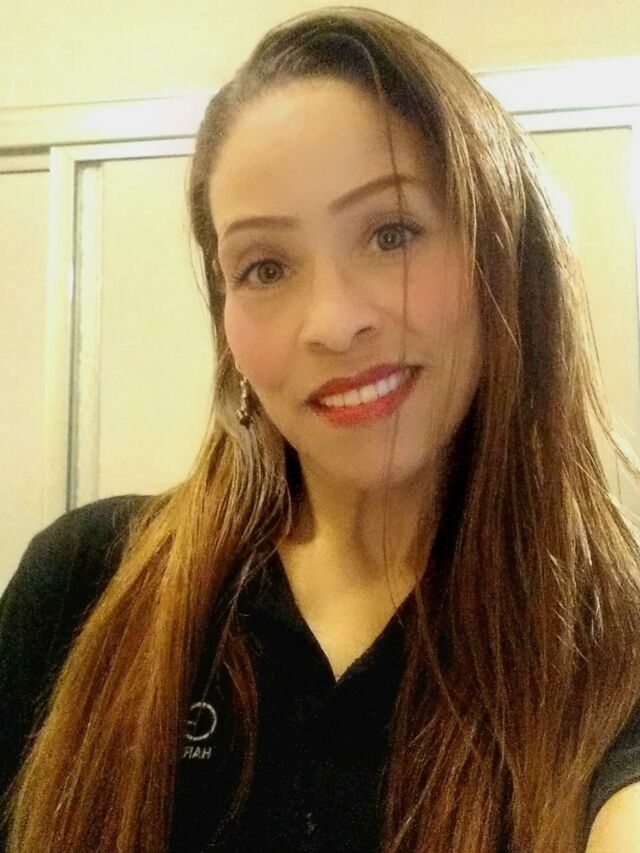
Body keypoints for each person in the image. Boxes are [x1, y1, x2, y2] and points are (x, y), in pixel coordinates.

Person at [2, 6, 640, 852]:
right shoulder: (85, 585)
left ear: (502, 256)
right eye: (265, 267)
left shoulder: (612, 646)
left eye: (391, 233)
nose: (334, 323)